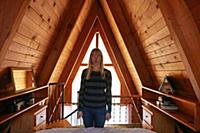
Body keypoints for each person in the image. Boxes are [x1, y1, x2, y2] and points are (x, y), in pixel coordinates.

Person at [77, 48, 112, 128]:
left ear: (101, 58)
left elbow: (108, 92)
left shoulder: (107, 74)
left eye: (98, 55)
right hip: (87, 109)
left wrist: (109, 111)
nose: (96, 58)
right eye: (93, 55)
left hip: (101, 109)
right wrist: (80, 109)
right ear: (90, 58)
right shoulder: (85, 72)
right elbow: (82, 91)